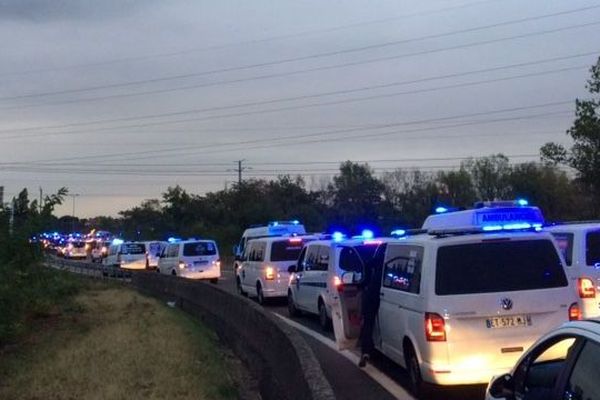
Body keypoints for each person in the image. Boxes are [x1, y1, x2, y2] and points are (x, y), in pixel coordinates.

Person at [358, 244, 386, 368]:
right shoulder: (393, 263)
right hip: (387, 294)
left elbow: (367, 264)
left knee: (368, 324)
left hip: (373, 293)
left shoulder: (377, 260)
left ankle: (366, 351)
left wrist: (364, 283)